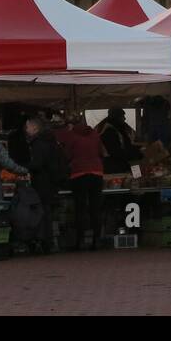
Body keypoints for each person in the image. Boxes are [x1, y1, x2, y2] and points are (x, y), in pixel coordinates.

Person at [58, 113, 106, 251]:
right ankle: (97, 240)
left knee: (81, 208)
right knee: (95, 208)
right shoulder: (95, 134)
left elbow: (66, 155)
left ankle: (81, 241)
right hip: (97, 173)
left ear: (71, 124)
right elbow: (101, 153)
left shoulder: (71, 136)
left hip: (79, 173)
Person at [24, 117, 62, 254]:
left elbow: (37, 164)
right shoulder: (50, 141)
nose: (26, 129)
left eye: (27, 127)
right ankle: (48, 241)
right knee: (48, 213)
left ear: (35, 128)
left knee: (42, 213)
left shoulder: (38, 144)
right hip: (51, 182)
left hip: (42, 183)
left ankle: (45, 242)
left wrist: (25, 167)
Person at [97, 107, 140, 173]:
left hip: (121, 163)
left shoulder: (117, 129)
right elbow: (116, 152)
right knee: (134, 177)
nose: (124, 119)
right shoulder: (109, 132)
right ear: (116, 118)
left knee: (137, 175)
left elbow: (126, 146)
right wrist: (136, 154)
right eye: (122, 116)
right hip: (114, 166)